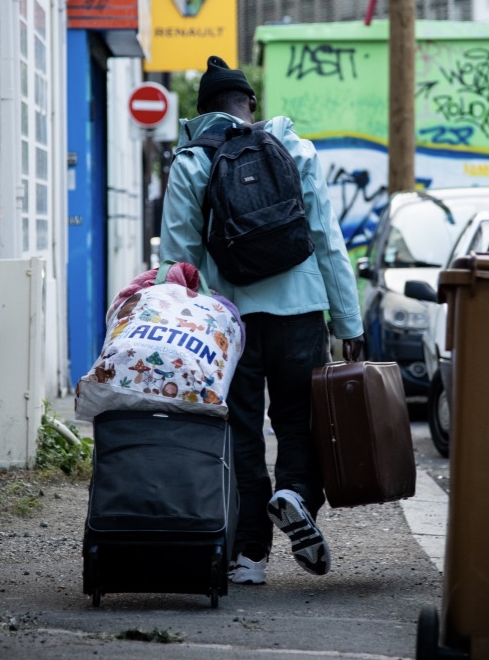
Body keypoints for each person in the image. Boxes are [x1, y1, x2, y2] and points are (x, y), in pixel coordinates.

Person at [159, 56, 365, 585]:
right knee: (300, 422)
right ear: (250, 104)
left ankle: (251, 554)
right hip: (300, 314)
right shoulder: (295, 150)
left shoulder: (191, 163)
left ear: (201, 113)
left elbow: (179, 264)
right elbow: (326, 241)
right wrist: (349, 323)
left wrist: (172, 336)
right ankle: (293, 494)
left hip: (232, 324)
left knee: (242, 432)